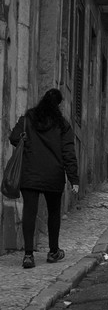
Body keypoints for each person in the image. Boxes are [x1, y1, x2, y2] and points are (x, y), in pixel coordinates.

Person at [8, 88, 79, 269]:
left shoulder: (28, 119)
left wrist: (26, 139)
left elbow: (14, 137)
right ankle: (53, 251)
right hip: (53, 175)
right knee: (54, 213)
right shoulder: (63, 125)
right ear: (58, 105)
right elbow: (68, 153)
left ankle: (28, 255)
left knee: (29, 212)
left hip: (30, 173)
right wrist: (74, 179)